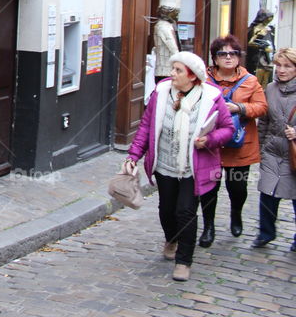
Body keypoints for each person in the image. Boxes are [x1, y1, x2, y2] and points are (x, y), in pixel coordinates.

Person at [125, 51, 234, 282]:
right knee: (166, 210)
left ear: (192, 76)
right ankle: (171, 238)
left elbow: (227, 129)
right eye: (172, 69)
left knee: (185, 211)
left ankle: (184, 261)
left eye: (177, 70)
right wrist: (133, 156)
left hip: (193, 168)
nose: (172, 74)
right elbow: (146, 127)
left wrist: (209, 140)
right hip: (165, 164)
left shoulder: (211, 98)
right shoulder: (161, 93)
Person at [198, 35, 267, 247]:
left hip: (239, 147)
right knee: (209, 188)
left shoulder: (250, 81)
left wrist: (240, 108)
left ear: (238, 57)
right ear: (215, 58)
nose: (228, 57)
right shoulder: (203, 81)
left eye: (233, 53)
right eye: (223, 54)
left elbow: (262, 107)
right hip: (211, 146)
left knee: (237, 188)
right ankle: (208, 226)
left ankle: (236, 213)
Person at [252, 47, 296, 249]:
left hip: (294, 152)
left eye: (287, 66)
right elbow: (264, 122)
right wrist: (260, 148)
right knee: (267, 193)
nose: (281, 70)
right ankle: (266, 233)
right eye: (278, 65)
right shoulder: (269, 88)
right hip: (272, 149)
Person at [247, 9, 275, 87]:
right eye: (268, 18)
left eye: (271, 18)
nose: (269, 20)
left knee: (266, 81)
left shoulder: (270, 29)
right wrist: (261, 46)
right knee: (258, 81)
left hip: (268, 58)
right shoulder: (256, 29)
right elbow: (250, 42)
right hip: (259, 59)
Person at [154, 5, 180, 83]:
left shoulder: (166, 25)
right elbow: (172, 46)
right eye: (174, 13)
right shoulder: (163, 26)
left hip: (167, 69)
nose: (176, 16)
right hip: (165, 70)